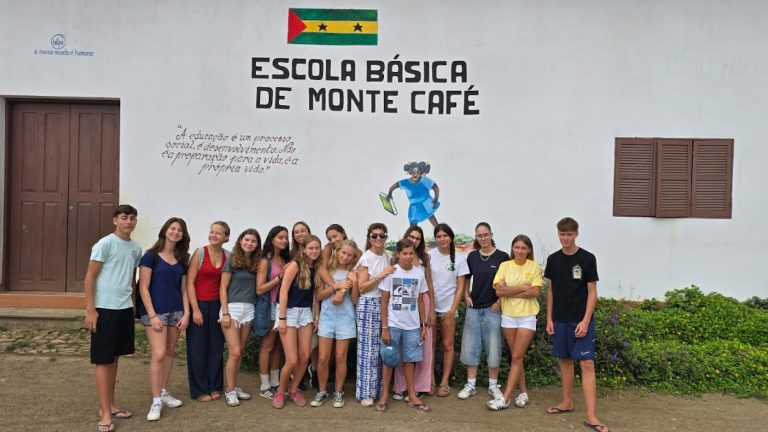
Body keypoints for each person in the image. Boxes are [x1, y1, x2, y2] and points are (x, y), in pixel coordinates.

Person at [545, 218, 609, 432]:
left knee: (587, 363)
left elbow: (592, 292)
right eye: (562, 234)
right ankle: (566, 402)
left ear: (576, 234)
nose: (565, 238)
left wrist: (586, 320)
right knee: (564, 360)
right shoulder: (553, 260)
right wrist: (549, 318)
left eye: (569, 234)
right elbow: (551, 291)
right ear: (558, 234)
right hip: (559, 320)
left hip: (581, 320)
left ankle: (591, 416)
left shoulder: (588, 259)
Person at [84, 204, 142, 432]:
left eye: (132, 218)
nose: (129, 222)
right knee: (103, 360)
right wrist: (90, 310)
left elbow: (131, 280)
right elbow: (90, 277)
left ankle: (110, 405)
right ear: (115, 220)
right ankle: (105, 414)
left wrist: (133, 306)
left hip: (124, 309)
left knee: (115, 358)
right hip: (104, 309)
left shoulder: (136, 248)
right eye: (124, 217)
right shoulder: (105, 244)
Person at [138, 217, 191, 421]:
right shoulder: (150, 256)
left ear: (183, 235)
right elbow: (143, 287)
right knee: (159, 354)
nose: (175, 232)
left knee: (169, 352)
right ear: (165, 230)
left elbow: (184, 289)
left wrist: (186, 313)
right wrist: (152, 315)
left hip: (176, 312)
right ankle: (156, 402)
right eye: (172, 228)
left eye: (179, 230)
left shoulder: (182, 259)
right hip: (156, 312)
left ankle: (163, 391)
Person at [487, 234, 541, 411]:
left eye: (523, 248)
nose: (520, 251)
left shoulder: (534, 266)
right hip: (508, 316)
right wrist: (523, 288)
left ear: (529, 250)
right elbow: (498, 292)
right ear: (512, 248)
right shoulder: (505, 266)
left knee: (517, 357)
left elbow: (535, 292)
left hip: (527, 316)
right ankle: (523, 392)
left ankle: (505, 398)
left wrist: (509, 291)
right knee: (517, 357)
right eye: (517, 247)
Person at [377, 239, 430, 413]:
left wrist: (423, 325)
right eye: (404, 253)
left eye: (411, 253)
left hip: (413, 326)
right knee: (389, 359)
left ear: (414, 254)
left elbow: (420, 301)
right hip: (393, 325)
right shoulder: (391, 273)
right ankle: (384, 395)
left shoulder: (419, 274)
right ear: (398, 254)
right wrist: (385, 328)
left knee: (410, 361)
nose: (408, 257)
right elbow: (384, 301)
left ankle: (412, 395)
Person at [458, 222, 508, 402]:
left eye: (486, 234)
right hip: (474, 308)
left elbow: (507, 283)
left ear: (491, 235)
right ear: (476, 237)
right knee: (470, 346)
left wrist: (499, 302)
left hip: (493, 309)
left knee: (494, 347)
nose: (483, 238)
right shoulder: (472, 256)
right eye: (480, 235)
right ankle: (470, 384)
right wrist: (466, 295)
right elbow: (466, 278)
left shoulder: (502, 257)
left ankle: (493, 385)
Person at [273, 235, 323, 408]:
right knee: (292, 359)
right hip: (288, 312)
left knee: (305, 356)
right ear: (304, 249)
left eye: (317, 248)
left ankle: (293, 390)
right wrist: (282, 318)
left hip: (306, 313)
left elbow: (315, 296)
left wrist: (315, 317)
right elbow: (283, 291)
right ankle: (280, 392)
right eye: (311, 248)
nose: (314, 251)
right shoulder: (295, 265)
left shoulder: (317, 267)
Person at [311, 239, 360, 408]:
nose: (345, 257)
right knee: (323, 357)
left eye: (349, 255)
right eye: (343, 252)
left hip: (346, 318)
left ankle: (339, 392)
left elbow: (354, 300)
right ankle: (322, 391)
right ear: (337, 251)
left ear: (354, 257)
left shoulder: (352, 272)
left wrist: (354, 284)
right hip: (327, 317)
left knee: (340, 357)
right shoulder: (327, 270)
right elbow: (319, 296)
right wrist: (336, 287)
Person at [186, 221, 230, 403]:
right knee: (197, 348)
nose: (213, 235)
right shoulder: (200, 252)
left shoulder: (228, 256)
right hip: (199, 304)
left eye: (218, 233)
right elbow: (189, 283)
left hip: (218, 306)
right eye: (212, 232)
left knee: (216, 347)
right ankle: (199, 389)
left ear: (226, 237)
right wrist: (195, 309)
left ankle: (215, 386)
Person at [392, 226, 436, 400]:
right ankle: (400, 386)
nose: (414, 240)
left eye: (418, 238)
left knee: (423, 347)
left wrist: (432, 309)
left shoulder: (425, 258)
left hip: (422, 302)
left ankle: (421, 385)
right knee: (401, 347)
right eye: (411, 237)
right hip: (402, 305)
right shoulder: (396, 258)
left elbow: (429, 284)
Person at [219, 228, 262, 407]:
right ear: (240, 241)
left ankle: (234, 386)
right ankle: (229, 391)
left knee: (240, 351)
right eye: (246, 240)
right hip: (232, 309)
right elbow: (223, 287)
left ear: (257, 244)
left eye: (253, 241)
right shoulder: (232, 260)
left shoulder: (256, 263)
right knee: (234, 351)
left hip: (249, 309)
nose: (249, 243)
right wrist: (225, 312)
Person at [354, 223, 395, 407]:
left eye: (381, 235)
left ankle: (378, 391)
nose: (378, 238)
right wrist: (380, 275)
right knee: (367, 351)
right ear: (369, 237)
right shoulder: (366, 258)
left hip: (385, 304)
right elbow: (362, 287)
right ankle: (366, 393)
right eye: (374, 235)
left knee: (381, 351)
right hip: (368, 304)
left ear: (386, 237)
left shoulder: (388, 256)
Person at [427, 223, 468, 398]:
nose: (442, 239)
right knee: (429, 345)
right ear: (435, 238)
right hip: (430, 307)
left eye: (445, 236)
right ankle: (429, 381)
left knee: (447, 345)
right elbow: (426, 282)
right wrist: (429, 308)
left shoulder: (459, 259)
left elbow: (460, 286)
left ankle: (444, 382)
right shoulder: (429, 256)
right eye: (439, 236)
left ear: (451, 237)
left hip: (449, 309)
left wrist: (452, 309)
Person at [256, 226, 290, 399]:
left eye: (286, 237)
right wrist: (278, 278)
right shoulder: (265, 261)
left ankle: (275, 382)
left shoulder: (284, 259)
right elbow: (259, 289)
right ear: (272, 239)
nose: (284, 240)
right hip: (269, 306)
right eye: (280, 237)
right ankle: (264, 385)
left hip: (283, 307)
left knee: (278, 346)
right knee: (268, 345)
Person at [386, 161, 440, 227]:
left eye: (418, 172)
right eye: (413, 173)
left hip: (426, 202)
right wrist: (390, 193)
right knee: (413, 222)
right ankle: (411, 233)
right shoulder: (406, 182)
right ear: (410, 173)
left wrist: (436, 199)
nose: (415, 175)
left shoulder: (424, 180)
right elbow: (394, 186)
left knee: (431, 217)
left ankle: (439, 230)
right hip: (414, 206)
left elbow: (436, 187)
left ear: (421, 173)